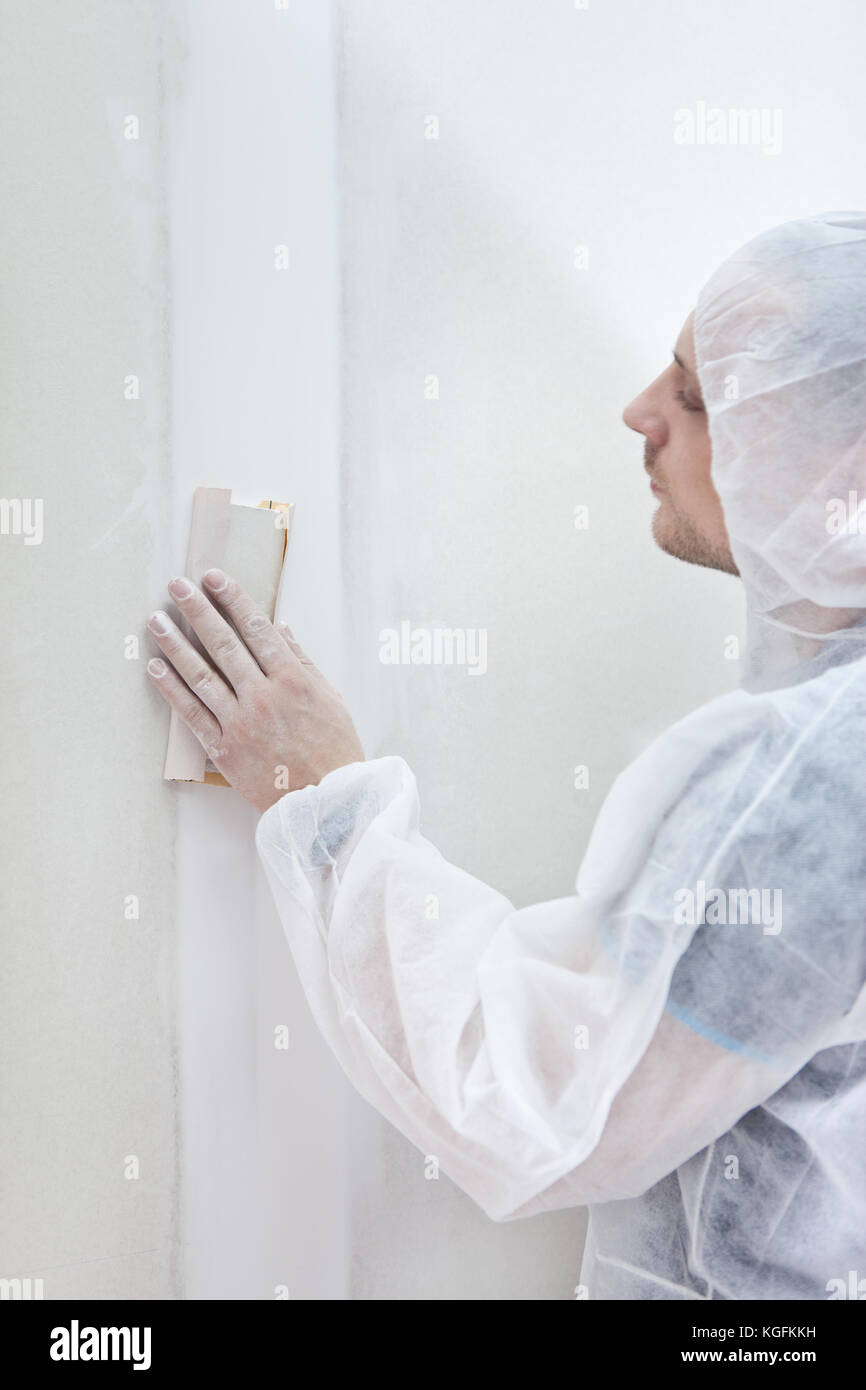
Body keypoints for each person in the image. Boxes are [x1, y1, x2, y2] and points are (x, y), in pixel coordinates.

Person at [145, 212, 866, 1300]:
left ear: (839, 471)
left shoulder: (818, 778)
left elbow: (534, 1103)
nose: (637, 413)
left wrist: (325, 803)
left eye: (695, 396)